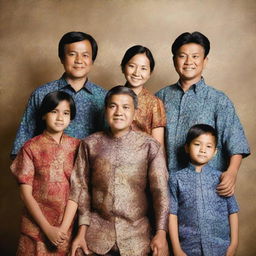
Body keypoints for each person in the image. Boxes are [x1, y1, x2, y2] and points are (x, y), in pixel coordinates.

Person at [59, 86, 169, 256]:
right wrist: (81, 233)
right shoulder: (90, 144)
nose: (119, 112)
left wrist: (161, 232)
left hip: (138, 238)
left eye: (126, 107)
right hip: (95, 237)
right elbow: (81, 190)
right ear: (105, 110)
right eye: (113, 106)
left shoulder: (150, 146)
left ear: (135, 112)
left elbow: (160, 192)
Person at [156, 31, 250, 196]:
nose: (189, 62)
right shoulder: (160, 97)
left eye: (195, 56)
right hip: (168, 186)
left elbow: (236, 140)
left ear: (205, 61)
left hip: (208, 188)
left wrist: (232, 172)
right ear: (174, 60)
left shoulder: (218, 100)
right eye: (182, 56)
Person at [11, 31, 107, 158]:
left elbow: (110, 141)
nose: (79, 60)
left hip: (90, 171)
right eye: (72, 54)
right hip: (48, 172)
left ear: (92, 60)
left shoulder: (104, 97)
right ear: (62, 58)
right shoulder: (42, 93)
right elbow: (21, 145)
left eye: (85, 55)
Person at [10, 91, 80, 255]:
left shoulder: (78, 146)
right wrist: (47, 229)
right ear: (43, 115)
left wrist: (63, 229)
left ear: (71, 117)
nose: (60, 117)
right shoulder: (30, 147)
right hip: (36, 226)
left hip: (67, 226)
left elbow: (78, 190)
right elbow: (25, 194)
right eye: (54, 111)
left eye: (65, 113)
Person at [169, 124, 239, 256]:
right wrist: (177, 249)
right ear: (187, 148)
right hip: (189, 249)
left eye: (208, 146)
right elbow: (172, 214)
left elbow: (233, 211)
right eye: (197, 144)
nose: (202, 150)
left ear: (215, 152)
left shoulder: (222, 178)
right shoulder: (176, 179)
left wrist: (233, 244)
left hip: (220, 248)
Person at [121, 45, 166, 146]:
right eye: (132, 66)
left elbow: (158, 145)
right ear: (123, 67)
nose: (137, 73)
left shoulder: (154, 103)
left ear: (150, 72)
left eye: (143, 68)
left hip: (143, 160)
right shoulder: (112, 97)